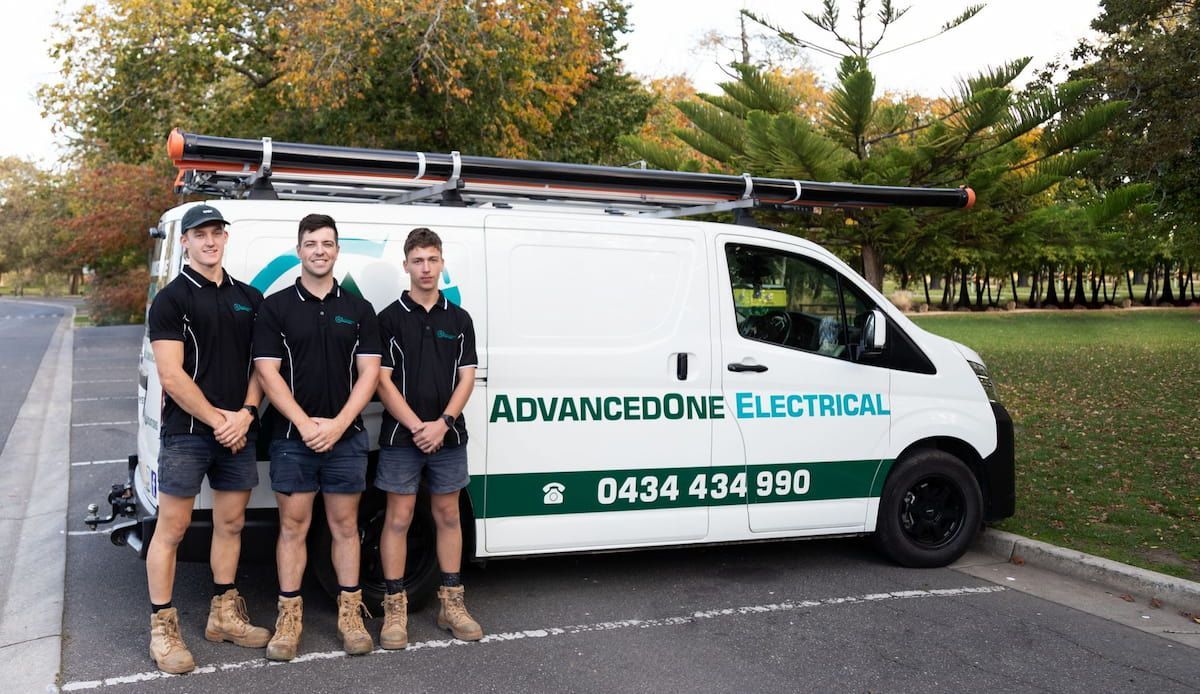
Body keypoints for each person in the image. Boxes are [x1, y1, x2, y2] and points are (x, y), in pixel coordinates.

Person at [144, 204, 269, 674]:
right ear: (185, 242)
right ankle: (162, 629)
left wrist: (247, 413)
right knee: (172, 529)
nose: (210, 241)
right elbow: (171, 375)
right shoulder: (171, 300)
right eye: (200, 234)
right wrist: (220, 420)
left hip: (237, 429)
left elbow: (263, 367)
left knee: (231, 524)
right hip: (189, 433)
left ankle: (223, 616)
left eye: (217, 233)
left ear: (225, 238)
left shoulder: (250, 298)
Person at [252, 213, 382, 660]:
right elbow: (267, 373)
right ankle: (288, 621)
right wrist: (306, 424)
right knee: (293, 527)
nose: (319, 251)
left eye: (327, 243)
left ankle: (351, 616)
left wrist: (339, 424)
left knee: (345, 526)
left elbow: (370, 374)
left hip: (347, 438)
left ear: (337, 251)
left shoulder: (359, 310)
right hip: (293, 438)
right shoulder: (276, 307)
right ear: (299, 251)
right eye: (311, 243)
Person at [374, 227, 481, 648]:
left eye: (432, 259)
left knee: (449, 516)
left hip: (448, 436)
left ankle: (451, 604)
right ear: (405, 265)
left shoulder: (459, 319)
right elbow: (381, 381)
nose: (425, 268)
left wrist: (443, 423)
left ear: (442, 264)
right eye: (417, 260)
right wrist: (418, 427)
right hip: (402, 438)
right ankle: (394, 609)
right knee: (398, 519)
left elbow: (467, 377)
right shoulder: (388, 318)